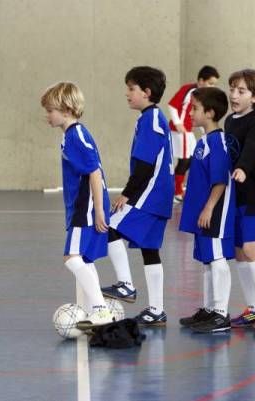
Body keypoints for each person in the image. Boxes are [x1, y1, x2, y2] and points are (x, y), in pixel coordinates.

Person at [101, 66, 174, 327]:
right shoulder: (151, 117)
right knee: (150, 250)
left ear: (147, 92)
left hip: (149, 194)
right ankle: (157, 310)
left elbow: (145, 166)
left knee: (108, 226)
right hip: (160, 196)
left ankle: (126, 285)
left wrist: (127, 195)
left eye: (131, 89)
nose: (127, 94)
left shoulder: (151, 119)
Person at [40, 82, 113, 328]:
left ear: (66, 109)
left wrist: (100, 209)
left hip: (86, 208)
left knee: (71, 258)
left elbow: (94, 172)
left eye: (50, 110)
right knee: (84, 258)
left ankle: (101, 309)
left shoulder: (76, 136)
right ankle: (98, 306)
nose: (47, 116)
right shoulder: (70, 135)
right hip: (82, 207)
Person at [178, 87, 236, 333]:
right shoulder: (202, 141)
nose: (190, 113)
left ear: (210, 113)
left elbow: (220, 179)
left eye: (195, 109)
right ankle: (209, 308)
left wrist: (209, 208)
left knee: (217, 257)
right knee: (207, 260)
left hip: (215, 209)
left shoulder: (218, 141)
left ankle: (221, 313)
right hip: (202, 209)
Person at [224, 69, 255, 328]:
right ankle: (253, 308)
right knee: (238, 251)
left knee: (250, 247)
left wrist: (243, 167)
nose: (234, 95)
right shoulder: (230, 120)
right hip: (237, 194)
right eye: (232, 89)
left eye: (241, 91)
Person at [168, 66, 220, 202]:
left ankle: (177, 188)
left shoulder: (202, 95)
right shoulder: (188, 90)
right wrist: (178, 123)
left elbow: (201, 116)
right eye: (210, 83)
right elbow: (172, 105)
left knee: (192, 160)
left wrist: (206, 132)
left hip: (188, 131)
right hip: (180, 131)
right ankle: (176, 192)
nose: (212, 86)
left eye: (214, 84)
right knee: (185, 160)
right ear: (201, 80)